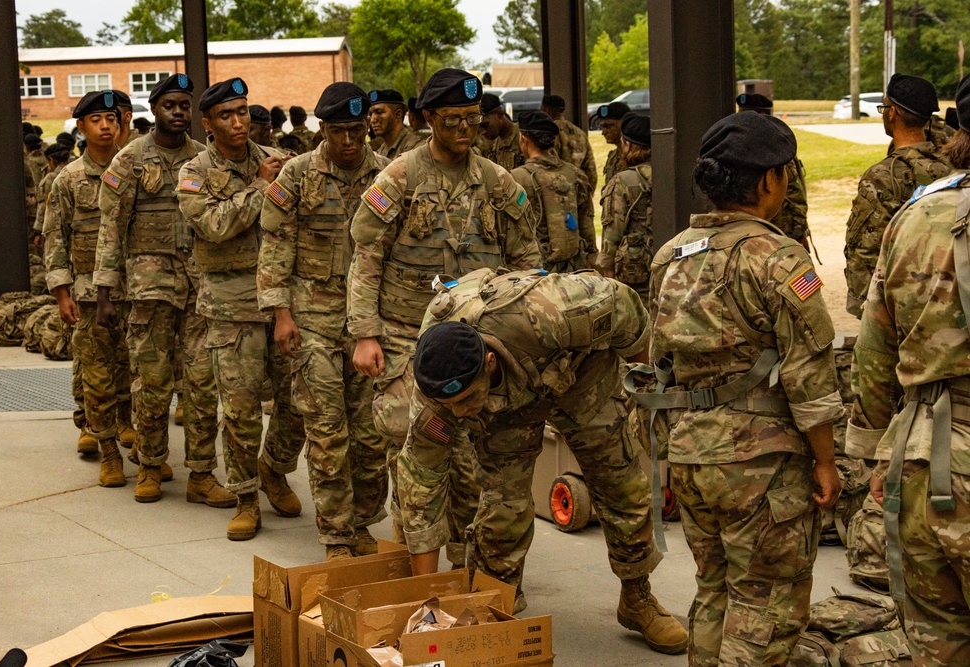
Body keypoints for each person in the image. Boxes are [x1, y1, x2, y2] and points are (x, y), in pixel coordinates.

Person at [638, 111, 843, 665]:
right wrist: (826, 461)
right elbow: (810, 373)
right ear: (771, 179)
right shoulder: (779, 259)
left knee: (713, 591)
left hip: (691, 455)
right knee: (766, 607)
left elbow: (660, 361)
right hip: (763, 464)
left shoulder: (670, 254)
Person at [401, 269, 688, 654]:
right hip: (503, 412)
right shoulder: (435, 396)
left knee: (623, 485)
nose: (461, 414)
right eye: (452, 407)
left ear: (488, 362)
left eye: (466, 400)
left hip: (578, 374)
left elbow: (626, 311)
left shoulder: (551, 312)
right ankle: (494, 606)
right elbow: (421, 487)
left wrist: (646, 388)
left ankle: (637, 598)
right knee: (504, 509)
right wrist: (425, 602)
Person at [348, 67, 541, 565]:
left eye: (472, 118)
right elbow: (367, 259)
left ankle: (466, 563)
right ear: (428, 118)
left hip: (474, 343)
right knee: (412, 450)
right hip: (404, 336)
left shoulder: (499, 182)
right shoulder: (399, 177)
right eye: (452, 118)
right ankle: (416, 563)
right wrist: (365, 335)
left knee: (473, 458)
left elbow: (527, 264)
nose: (464, 129)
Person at [845, 73, 970, 665]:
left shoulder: (914, 217)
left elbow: (872, 352)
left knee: (936, 641)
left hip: (925, 457)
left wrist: (874, 452)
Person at [258, 83, 391, 559]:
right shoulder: (296, 175)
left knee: (371, 433)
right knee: (328, 431)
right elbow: (274, 246)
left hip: (367, 322)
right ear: (322, 129)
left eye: (358, 130)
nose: (350, 141)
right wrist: (281, 315)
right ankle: (336, 535)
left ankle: (362, 522)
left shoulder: (387, 175)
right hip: (312, 317)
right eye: (339, 131)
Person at [177, 77, 308, 541]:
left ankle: (274, 467)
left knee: (298, 404)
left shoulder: (277, 163)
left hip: (284, 305)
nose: (239, 122)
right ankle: (247, 497)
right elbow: (213, 225)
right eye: (227, 115)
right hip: (231, 307)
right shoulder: (194, 172)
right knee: (241, 409)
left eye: (243, 111)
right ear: (208, 123)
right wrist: (259, 187)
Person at [96, 73, 230, 508]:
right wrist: (104, 293)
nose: (178, 111)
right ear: (153, 109)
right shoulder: (130, 159)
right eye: (169, 104)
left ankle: (202, 474)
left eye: (184, 105)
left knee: (201, 383)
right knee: (151, 382)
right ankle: (150, 466)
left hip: (198, 290)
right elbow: (111, 228)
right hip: (148, 290)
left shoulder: (204, 159)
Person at [43, 91, 135, 484]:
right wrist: (61, 293)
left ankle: (142, 443)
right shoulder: (68, 179)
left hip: (136, 290)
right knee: (96, 374)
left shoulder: (134, 170)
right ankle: (109, 450)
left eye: (111, 118)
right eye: (96, 119)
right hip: (85, 291)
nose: (105, 125)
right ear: (81, 126)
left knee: (135, 371)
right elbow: (54, 238)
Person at [844, 73, 953, 318]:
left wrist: (865, 310)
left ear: (892, 113)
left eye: (884, 107)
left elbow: (864, 250)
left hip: (901, 307)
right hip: (950, 299)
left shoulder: (881, 176)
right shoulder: (951, 165)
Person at [510, 110, 595, 272]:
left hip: (535, 272)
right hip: (575, 267)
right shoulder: (576, 174)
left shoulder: (516, 178)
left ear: (523, 139)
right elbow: (587, 224)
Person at [736, 93, 812, 250]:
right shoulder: (776, 148)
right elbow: (795, 194)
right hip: (775, 232)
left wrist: (798, 231)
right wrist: (798, 233)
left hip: (752, 231)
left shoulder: (733, 146)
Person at [596, 113, 654, 300]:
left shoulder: (623, 180)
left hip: (635, 270)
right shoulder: (668, 173)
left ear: (627, 145)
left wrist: (608, 270)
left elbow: (612, 231)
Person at [541, 94, 598, 190]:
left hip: (554, 192)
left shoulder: (545, 133)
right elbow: (590, 170)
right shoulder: (580, 133)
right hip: (577, 191)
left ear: (546, 110)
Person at [33, 142, 73, 247]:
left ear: (51, 160)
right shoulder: (75, 173)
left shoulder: (50, 178)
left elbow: (43, 206)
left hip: (56, 229)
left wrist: (38, 231)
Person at [368, 89, 425, 159]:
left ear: (398, 115)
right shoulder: (381, 150)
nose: (372, 120)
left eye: (379, 112)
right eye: (370, 114)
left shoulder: (416, 148)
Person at [478, 93, 524, 171]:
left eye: (485, 125)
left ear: (499, 115)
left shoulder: (523, 138)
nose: (483, 132)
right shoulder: (493, 145)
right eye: (479, 128)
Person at [595, 101, 630, 193]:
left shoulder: (638, 156)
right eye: (602, 127)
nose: (603, 132)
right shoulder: (613, 156)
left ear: (625, 125)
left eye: (609, 126)